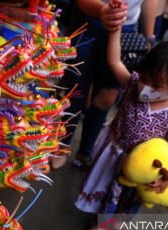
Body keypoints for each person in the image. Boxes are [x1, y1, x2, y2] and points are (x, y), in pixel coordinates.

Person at [75, 2, 168, 230]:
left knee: (125, 200)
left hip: (140, 169)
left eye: (156, 85)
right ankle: (99, 220)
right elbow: (115, 62)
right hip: (113, 153)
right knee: (105, 188)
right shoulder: (134, 85)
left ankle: (105, 226)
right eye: (144, 77)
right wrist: (116, 29)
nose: (145, 86)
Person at [51, 0, 159, 169]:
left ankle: (85, 151)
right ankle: (62, 145)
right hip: (88, 23)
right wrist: (103, 11)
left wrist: (149, 38)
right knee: (75, 91)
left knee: (106, 99)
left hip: (126, 30)